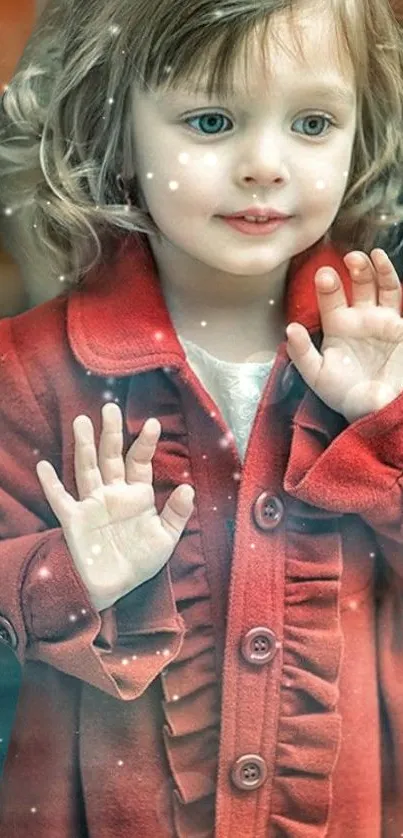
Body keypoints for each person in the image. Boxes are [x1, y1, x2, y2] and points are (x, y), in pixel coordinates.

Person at [0, 0, 403, 835]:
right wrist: (72, 576)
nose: (265, 164)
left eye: (313, 121)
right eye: (211, 119)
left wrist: (382, 432)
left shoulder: (392, 362)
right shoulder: (27, 371)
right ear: (113, 129)